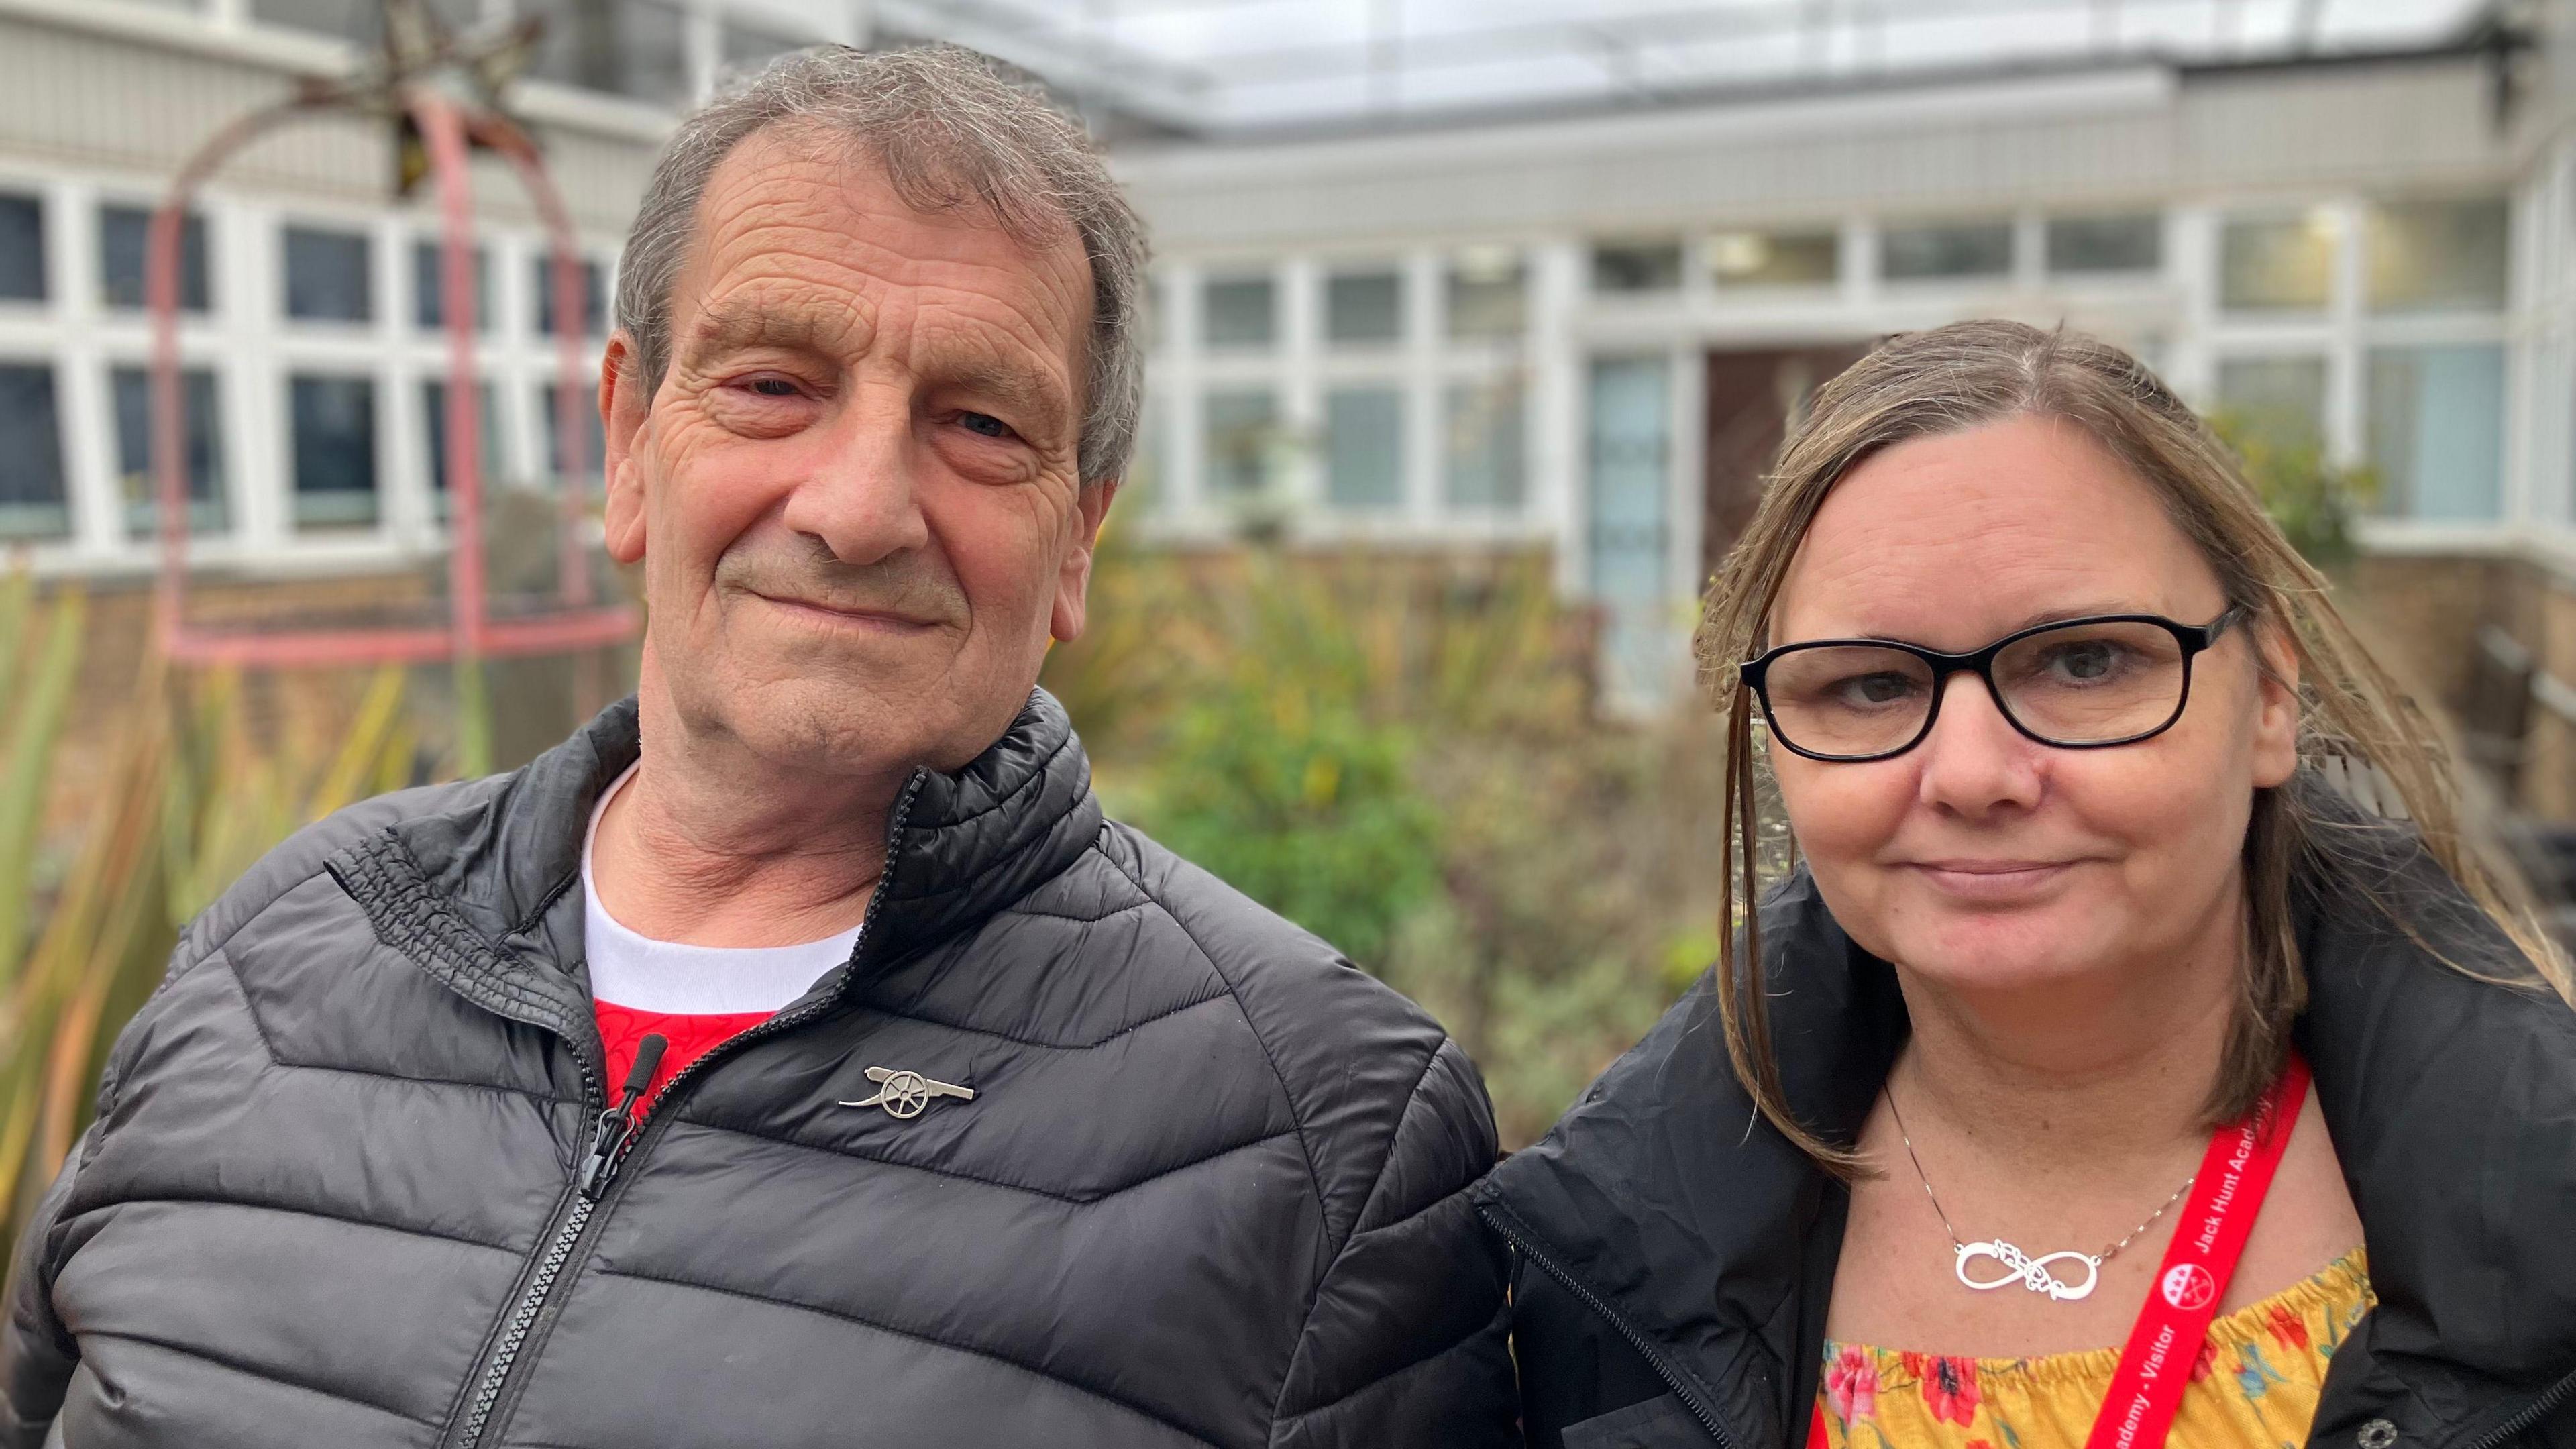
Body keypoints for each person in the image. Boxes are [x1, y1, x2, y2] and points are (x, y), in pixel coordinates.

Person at [0, 45, 1515, 1449]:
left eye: (982, 423)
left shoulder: (1321, 1145)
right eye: (773, 384)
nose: (858, 507)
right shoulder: (279, 953)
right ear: (628, 441)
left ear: (1080, 537)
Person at [1479, 320, 2576, 1449]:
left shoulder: (2545, 1224)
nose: (1971, 775)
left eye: (2085, 661)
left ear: (2272, 700)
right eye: (1867, 686)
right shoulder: (1607, 1267)